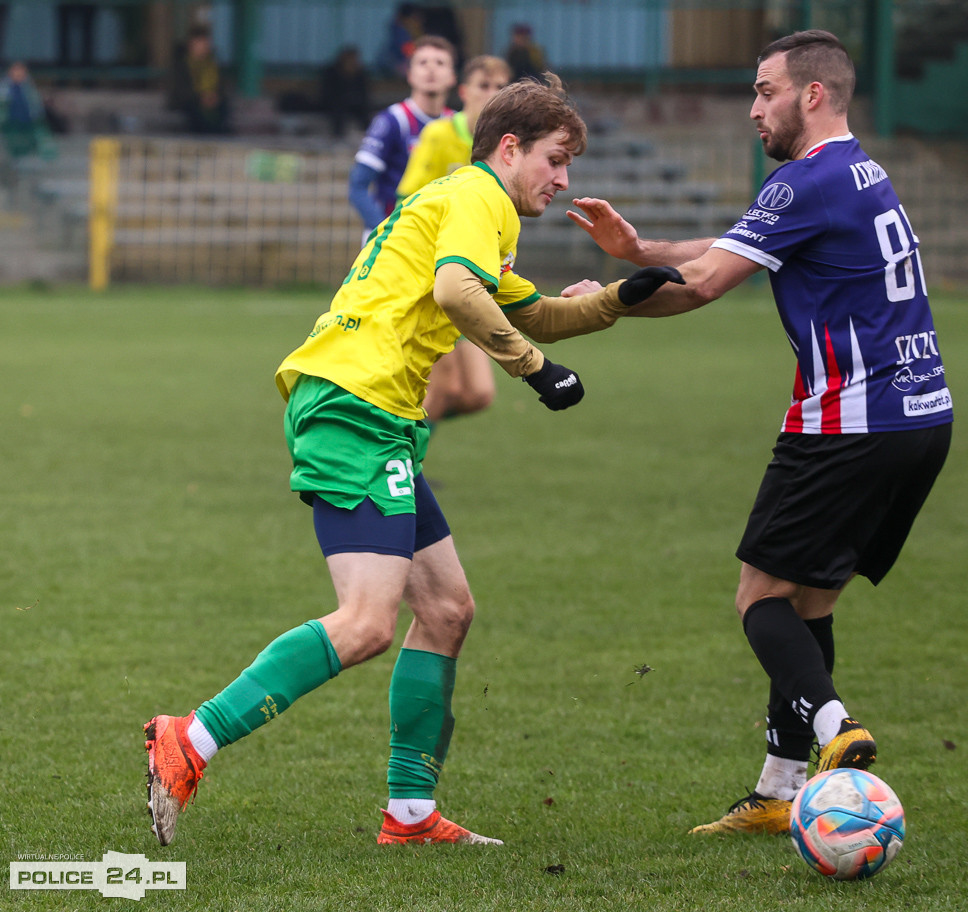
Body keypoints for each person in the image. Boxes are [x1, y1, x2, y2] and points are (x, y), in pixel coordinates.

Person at [143, 72, 683, 849]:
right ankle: (188, 740)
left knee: (447, 611)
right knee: (365, 623)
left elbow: (532, 312)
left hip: (378, 416)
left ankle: (410, 815)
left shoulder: (475, 208)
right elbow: (462, 292)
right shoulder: (477, 197)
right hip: (353, 406)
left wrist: (620, 299)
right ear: (510, 147)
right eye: (556, 159)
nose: (565, 180)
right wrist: (534, 370)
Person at [567, 30, 953, 835]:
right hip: (921, 419)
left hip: (848, 420)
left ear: (813, 95)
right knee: (808, 603)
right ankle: (779, 793)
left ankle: (833, 730)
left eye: (766, 91)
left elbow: (705, 284)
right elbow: (737, 247)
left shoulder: (805, 178)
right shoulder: (858, 172)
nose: (753, 108)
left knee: (758, 598)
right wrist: (642, 251)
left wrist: (597, 304)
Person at [396, 54, 512, 425]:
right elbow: (408, 203)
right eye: (483, 85)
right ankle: (404, 471)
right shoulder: (440, 135)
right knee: (441, 387)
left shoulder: (506, 150)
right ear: (463, 91)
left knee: (478, 394)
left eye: (500, 88)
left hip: (472, 280)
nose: (491, 94)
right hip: (434, 279)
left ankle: (404, 440)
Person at [349, 34, 457, 245]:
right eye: (422, 62)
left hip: (438, 240)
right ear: (409, 74)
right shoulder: (392, 120)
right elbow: (358, 186)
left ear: (453, 76)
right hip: (390, 239)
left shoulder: (456, 125)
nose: (431, 69)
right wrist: (386, 230)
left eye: (440, 63)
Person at [168, 24, 231, 135]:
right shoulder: (182, 64)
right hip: (190, 100)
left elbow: (221, 85)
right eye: (200, 43)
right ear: (192, 44)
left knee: (223, 107)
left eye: (205, 43)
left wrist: (214, 96)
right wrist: (201, 97)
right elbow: (180, 89)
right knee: (196, 111)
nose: (204, 46)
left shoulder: (213, 63)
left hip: (212, 98)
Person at [320, 45, 371, 139]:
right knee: (338, 111)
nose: (352, 61)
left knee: (364, 111)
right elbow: (328, 94)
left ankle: (368, 135)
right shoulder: (331, 72)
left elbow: (363, 94)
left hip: (355, 105)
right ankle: (337, 137)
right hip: (334, 105)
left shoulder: (360, 74)